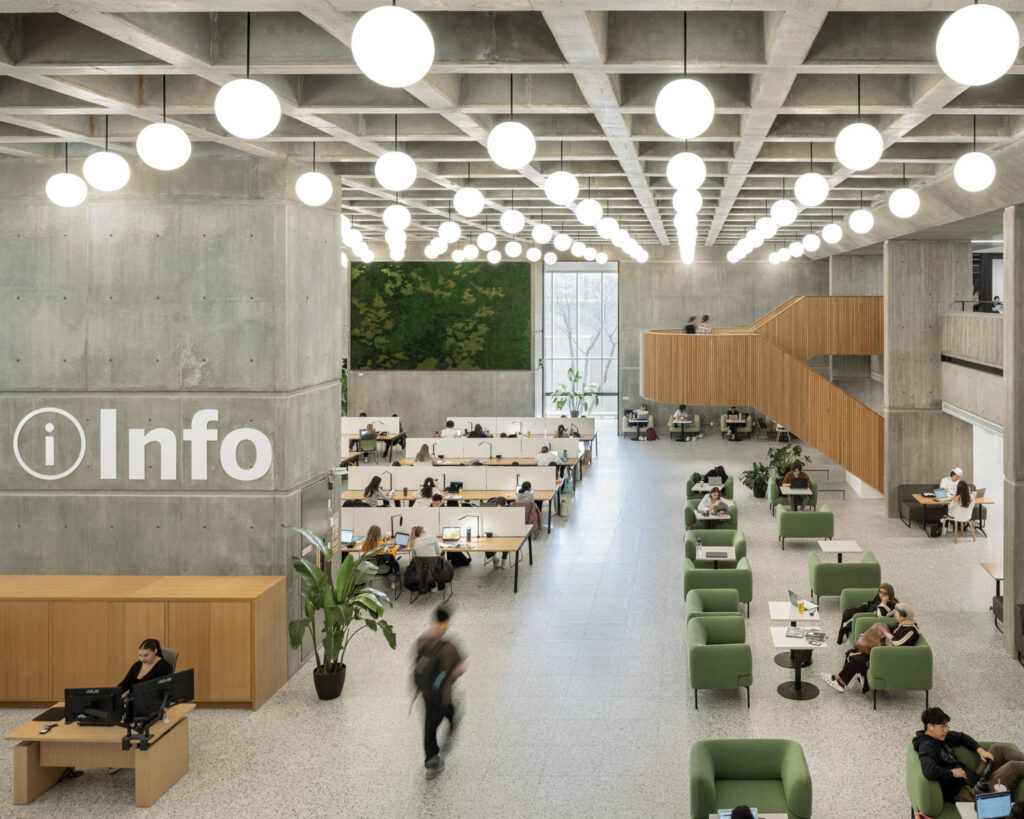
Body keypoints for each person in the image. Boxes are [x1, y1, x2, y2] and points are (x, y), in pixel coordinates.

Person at [914, 706, 1024, 802]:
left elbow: (962, 737)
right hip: (970, 793)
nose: (946, 730)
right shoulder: (926, 747)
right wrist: (951, 773)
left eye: (947, 726)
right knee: (1012, 767)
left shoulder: (941, 737)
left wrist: (981, 751)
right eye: (942, 727)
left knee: (998, 748)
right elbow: (929, 771)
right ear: (930, 727)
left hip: (973, 779)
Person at [822, 603, 919, 694]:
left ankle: (838, 680)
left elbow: (897, 644)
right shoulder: (903, 623)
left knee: (858, 660)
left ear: (902, 615)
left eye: (896, 612)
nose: (894, 614)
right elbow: (892, 631)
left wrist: (885, 633)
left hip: (891, 657)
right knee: (853, 652)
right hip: (886, 651)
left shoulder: (911, 630)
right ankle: (840, 680)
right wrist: (880, 628)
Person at [415, 607, 465, 779]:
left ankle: (431, 760)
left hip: (426, 693)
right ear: (447, 620)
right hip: (443, 694)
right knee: (449, 711)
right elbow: (459, 669)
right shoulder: (449, 646)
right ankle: (450, 729)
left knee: (429, 726)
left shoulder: (422, 640)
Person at [362, 525, 400, 590]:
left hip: (371, 567)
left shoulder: (365, 544)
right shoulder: (382, 544)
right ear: (379, 534)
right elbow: (391, 555)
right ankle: (393, 582)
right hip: (384, 568)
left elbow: (368, 554)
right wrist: (395, 548)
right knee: (394, 563)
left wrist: (386, 546)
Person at [485, 497, 509, 569]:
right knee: (486, 540)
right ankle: (494, 558)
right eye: (497, 507)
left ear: (505, 505)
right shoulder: (491, 511)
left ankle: (504, 558)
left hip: (505, 532)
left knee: (506, 540)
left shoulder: (509, 511)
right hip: (494, 531)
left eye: (501, 507)